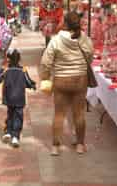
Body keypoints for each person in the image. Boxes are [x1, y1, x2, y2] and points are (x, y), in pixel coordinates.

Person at [40, 11, 93, 156]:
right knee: (79, 114)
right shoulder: (85, 39)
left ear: (65, 23)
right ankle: (80, 144)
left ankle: (55, 147)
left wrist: (45, 77)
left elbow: (46, 62)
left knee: (59, 114)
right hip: (80, 80)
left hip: (61, 80)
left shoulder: (56, 40)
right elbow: (90, 56)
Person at [0, 49, 36, 147]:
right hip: (20, 97)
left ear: (8, 59)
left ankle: (8, 131)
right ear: (19, 59)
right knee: (18, 116)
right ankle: (15, 136)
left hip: (9, 97)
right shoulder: (23, 70)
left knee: (10, 113)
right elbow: (28, 82)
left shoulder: (6, 69)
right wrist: (33, 85)